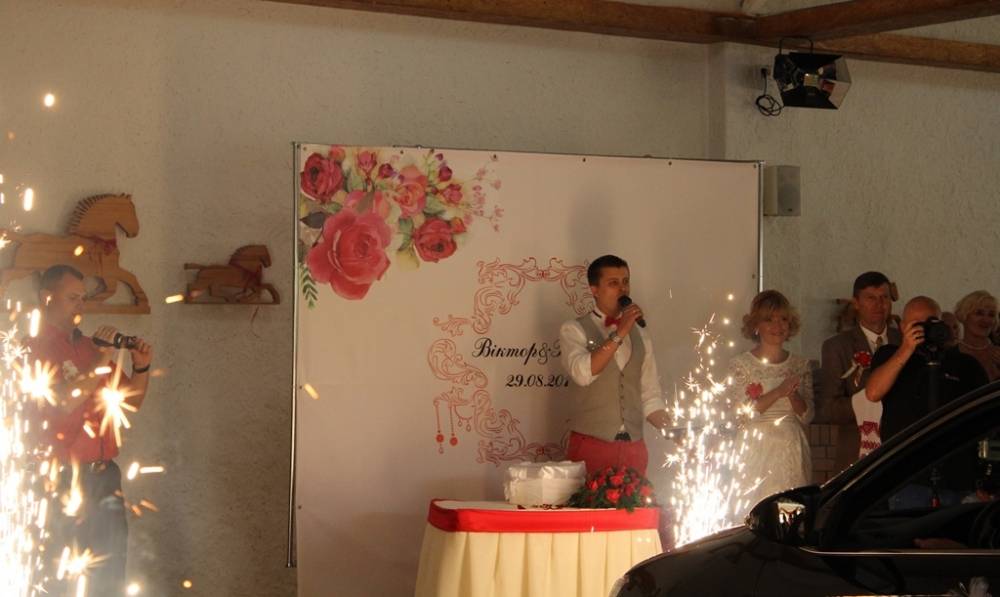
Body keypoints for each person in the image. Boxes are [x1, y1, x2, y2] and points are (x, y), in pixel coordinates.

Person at [27, 265, 153, 596]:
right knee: (61, 573)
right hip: (61, 479)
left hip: (104, 475)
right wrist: (100, 360)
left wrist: (141, 366)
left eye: (83, 298)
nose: (80, 306)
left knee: (110, 571)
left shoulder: (90, 347)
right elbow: (63, 401)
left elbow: (131, 402)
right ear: (47, 298)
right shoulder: (33, 347)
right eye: (72, 298)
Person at [559, 255, 671, 476]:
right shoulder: (573, 329)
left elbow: (650, 395)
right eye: (613, 283)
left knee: (638, 500)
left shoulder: (641, 334)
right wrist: (620, 332)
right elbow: (583, 374)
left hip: (634, 447)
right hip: (591, 446)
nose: (623, 289)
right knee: (588, 500)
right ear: (594, 289)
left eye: (626, 281)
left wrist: (676, 433)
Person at [727, 290, 814, 513]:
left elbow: (807, 416)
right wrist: (778, 392)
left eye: (783, 319)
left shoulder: (800, 364)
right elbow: (741, 414)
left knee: (790, 510)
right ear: (756, 325)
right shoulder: (741, 365)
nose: (777, 326)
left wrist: (792, 394)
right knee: (754, 510)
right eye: (769, 319)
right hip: (756, 445)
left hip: (790, 444)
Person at [820, 272, 900, 471]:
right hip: (857, 450)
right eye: (871, 298)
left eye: (884, 297)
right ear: (856, 303)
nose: (879, 304)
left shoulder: (903, 341)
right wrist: (867, 401)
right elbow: (829, 409)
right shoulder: (837, 346)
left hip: (900, 446)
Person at [954, 290, 1000, 381]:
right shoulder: (950, 355)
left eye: (991, 315)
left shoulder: (998, 351)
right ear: (964, 315)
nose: (986, 320)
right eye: (979, 313)